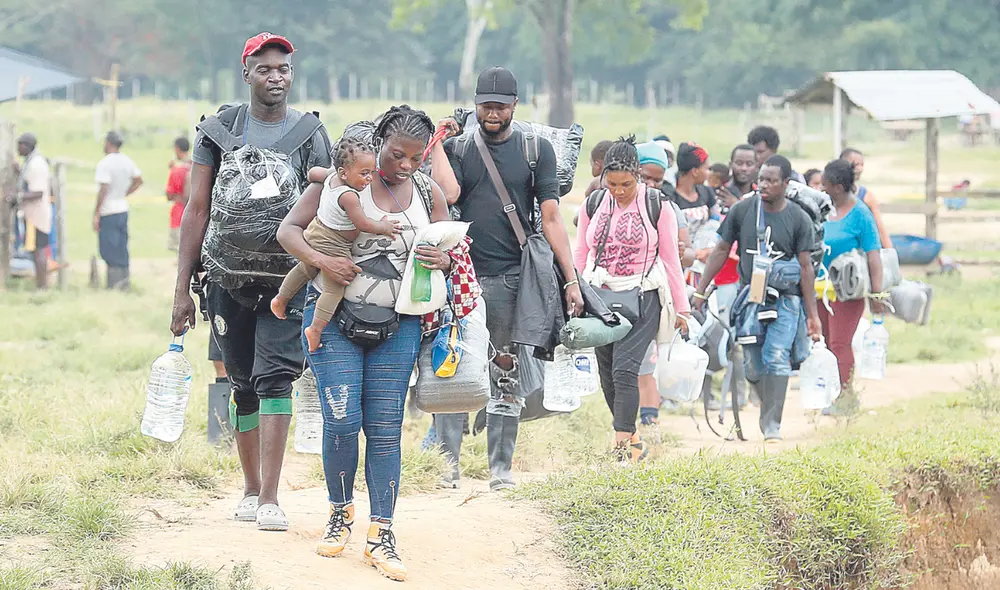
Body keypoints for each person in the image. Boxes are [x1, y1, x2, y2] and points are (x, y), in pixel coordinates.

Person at [278, 105, 453, 582]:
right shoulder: (339, 181)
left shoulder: (427, 192)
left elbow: (452, 250)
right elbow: (288, 231)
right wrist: (322, 260)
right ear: (378, 144)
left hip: (399, 326)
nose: (406, 166)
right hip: (334, 322)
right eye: (397, 155)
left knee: (384, 428)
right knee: (341, 419)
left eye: (417, 158)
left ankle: (382, 531)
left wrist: (443, 258)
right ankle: (340, 512)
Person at [169, 32, 333, 532]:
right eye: (264, 68)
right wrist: (180, 289)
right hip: (227, 279)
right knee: (241, 383)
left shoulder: (309, 133)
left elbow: (329, 202)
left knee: (276, 377)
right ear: (246, 73)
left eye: (283, 68)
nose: (275, 77)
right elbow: (196, 209)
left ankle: (270, 497)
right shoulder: (217, 130)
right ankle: (247, 487)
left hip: (289, 279)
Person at [429, 66, 584, 491]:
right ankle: (448, 467)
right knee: (452, 368)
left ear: (515, 105)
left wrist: (570, 280)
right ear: (475, 104)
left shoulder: (536, 152)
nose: (491, 113)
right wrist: (439, 142)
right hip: (460, 276)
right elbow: (450, 195)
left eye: (499, 106)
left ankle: (500, 470)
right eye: (484, 106)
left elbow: (551, 218)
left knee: (506, 371)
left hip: (514, 279)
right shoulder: (460, 148)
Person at [575, 137, 690, 461]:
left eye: (625, 184)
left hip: (644, 297)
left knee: (625, 370)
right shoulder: (593, 204)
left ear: (637, 177)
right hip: (601, 297)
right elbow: (582, 251)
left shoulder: (657, 205)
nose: (619, 190)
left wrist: (682, 308)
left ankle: (621, 445)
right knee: (607, 372)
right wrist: (573, 291)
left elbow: (670, 259)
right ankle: (634, 439)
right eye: (611, 184)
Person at [693, 155, 821, 443]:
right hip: (750, 295)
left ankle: (772, 424)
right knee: (753, 364)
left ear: (786, 184)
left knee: (776, 357)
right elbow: (721, 250)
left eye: (772, 180)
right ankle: (767, 406)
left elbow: (805, 268)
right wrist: (701, 291)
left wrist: (812, 316)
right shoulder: (743, 210)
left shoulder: (798, 219)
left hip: (787, 300)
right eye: (762, 179)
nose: (764, 185)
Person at [271, 137, 400, 352]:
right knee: (334, 290)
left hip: (315, 231)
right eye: (364, 173)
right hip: (334, 243)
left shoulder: (331, 177)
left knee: (305, 269)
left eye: (372, 172)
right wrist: (384, 226)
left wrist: (316, 174)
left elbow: (313, 173)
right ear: (344, 173)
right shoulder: (349, 196)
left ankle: (281, 298)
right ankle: (315, 329)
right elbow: (363, 224)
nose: (369, 179)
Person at [634, 141, 692, 423]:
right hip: (618, 293)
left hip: (654, 297)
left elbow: (686, 254)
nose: (652, 184)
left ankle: (649, 418)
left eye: (658, 180)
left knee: (647, 361)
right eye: (646, 177)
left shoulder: (667, 209)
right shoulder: (610, 203)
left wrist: (683, 252)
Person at [817, 159, 884, 390]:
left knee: (840, 343)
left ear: (838, 186)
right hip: (819, 288)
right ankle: (829, 391)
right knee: (824, 342)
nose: (821, 189)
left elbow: (873, 255)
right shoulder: (821, 210)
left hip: (847, 290)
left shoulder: (861, 214)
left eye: (824, 184)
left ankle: (845, 397)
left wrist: (877, 294)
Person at [94, 131, 143, 290]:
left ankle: (113, 284)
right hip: (122, 208)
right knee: (122, 246)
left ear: (108, 143)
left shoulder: (105, 163)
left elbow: (103, 189)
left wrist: (96, 213)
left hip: (108, 210)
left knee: (108, 248)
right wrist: (125, 193)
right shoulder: (126, 161)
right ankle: (124, 282)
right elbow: (139, 180)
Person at [8, 133, 51, 289]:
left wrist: (15, 197)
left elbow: (38, 192)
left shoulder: (36, 164)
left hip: (36, 216)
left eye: (20, 145)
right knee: (34, 250)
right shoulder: (31, 162)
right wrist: (19, 172)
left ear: (26, 146)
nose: (18, 148)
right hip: (32, 215)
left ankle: (42, 286)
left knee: (39, 250)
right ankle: (40, 284)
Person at [839, 148, 892, 248]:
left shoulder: (866, 196)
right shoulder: (830, 194)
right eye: (855, 164)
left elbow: (880, 229)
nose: (859, 169)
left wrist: (890, 254)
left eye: (862, 165)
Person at [716, 144, 758, 214]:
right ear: (730, 164)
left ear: (756, 166)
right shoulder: (721, 193)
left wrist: (736, 204)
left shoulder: (761, 195)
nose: (744, 168)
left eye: (749, 164)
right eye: (739, 163)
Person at [166, 137, 191, 251]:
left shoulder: (176, 170)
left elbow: (169, 195)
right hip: (196, 213)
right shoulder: (195, 165)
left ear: (177, 148)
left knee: (179, 249)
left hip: (179, 212)